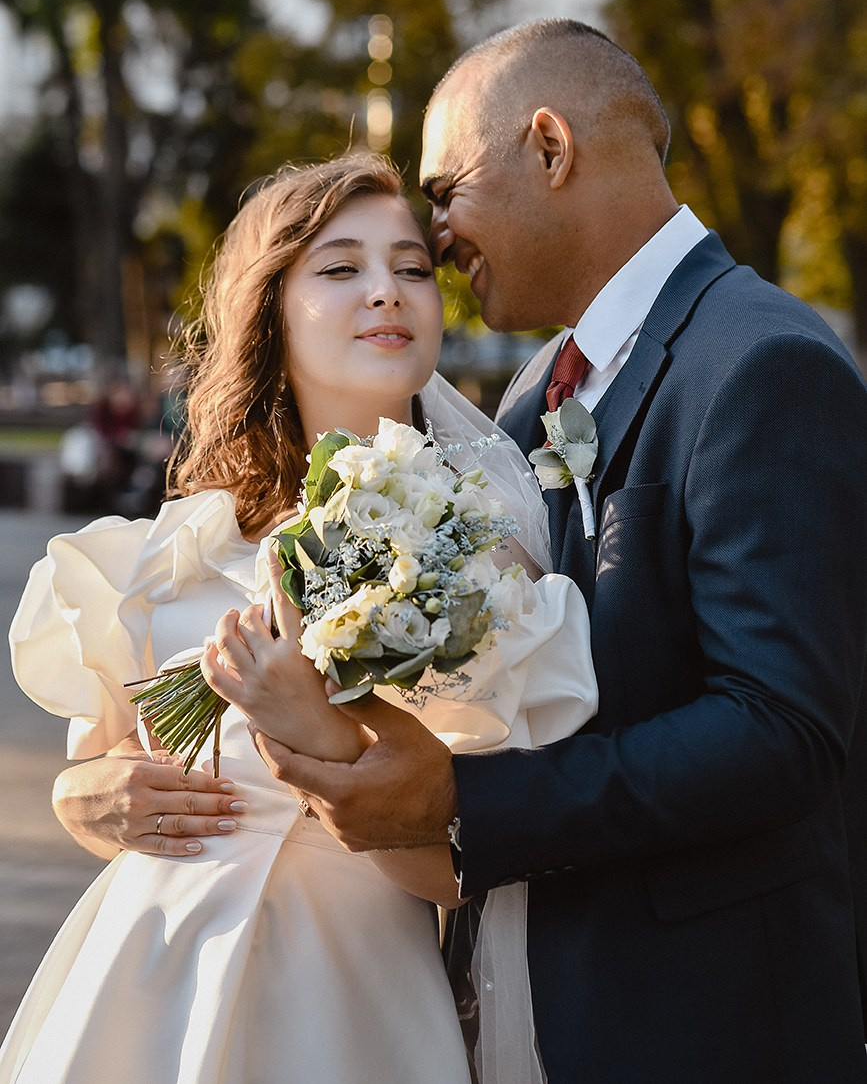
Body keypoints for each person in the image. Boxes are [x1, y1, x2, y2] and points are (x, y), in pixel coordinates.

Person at [246, 20, 867, 1082]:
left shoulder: (764, 364)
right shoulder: (537, 393)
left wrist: (462, 806)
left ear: (549, 146)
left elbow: (781, 731)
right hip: (514, 1008)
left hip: (692, 1029)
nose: (436, 238)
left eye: (446, 192)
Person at [2, 154, 597, 1084]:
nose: (385, 292)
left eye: (410, 267)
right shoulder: (175, 548)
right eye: (339, 267)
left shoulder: (487, 564)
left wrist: (317, 737)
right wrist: (83, 799)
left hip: (349, 1010)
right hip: (147, 988)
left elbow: (463, 878)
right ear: (270, 310)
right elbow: (106, 768)